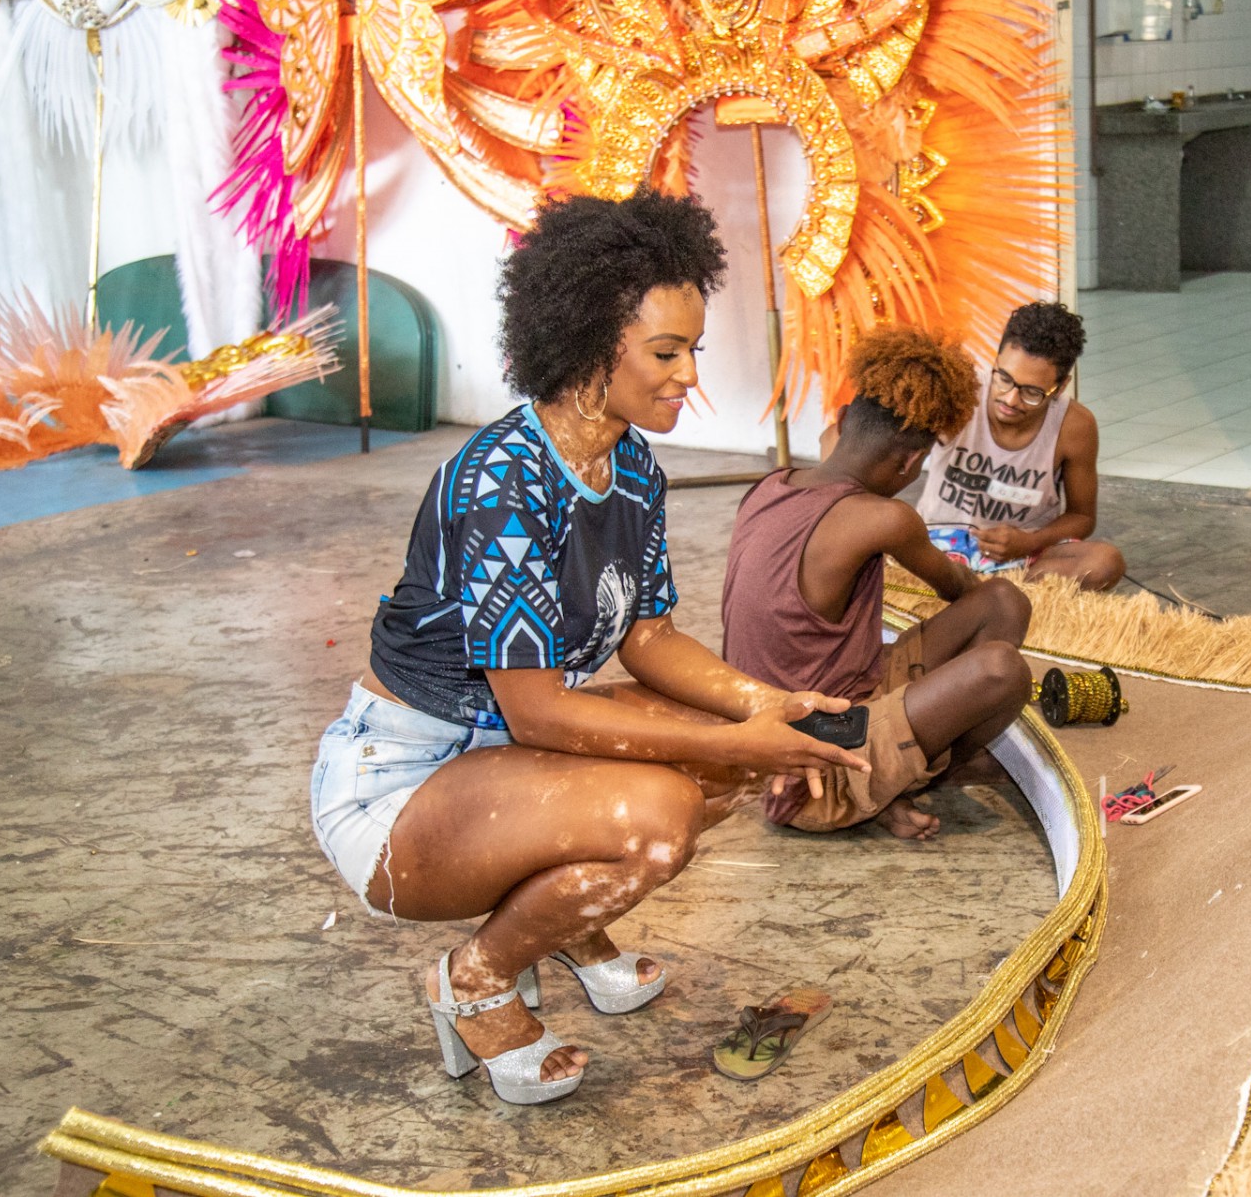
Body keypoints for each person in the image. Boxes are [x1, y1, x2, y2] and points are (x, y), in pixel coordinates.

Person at [308, 192, 869, 1106]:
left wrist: (766, 706)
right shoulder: (502, 481)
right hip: (398, 789)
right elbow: (537, 710)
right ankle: (477, 978)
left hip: (499, 760)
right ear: (585, 342)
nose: (690, 374)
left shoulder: (630, 465)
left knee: (715, 761)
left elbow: (649, 637)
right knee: (659, 814)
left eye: (692, 349)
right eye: (666, 352)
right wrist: (739, 738)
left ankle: (563, 922)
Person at [721, 326, 1034, 842]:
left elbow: (834, 446)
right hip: (809, 770)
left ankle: (894, 778)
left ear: (845, 420)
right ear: (910, 461)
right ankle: (897, 787)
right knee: (1002, 669)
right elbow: (958, 587)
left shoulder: (770, 484)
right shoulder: (885, 519)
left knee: (1004, 602)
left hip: (794, 720)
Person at [917, 302, 1126, 590]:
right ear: (996, 361)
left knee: (1105, 561)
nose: (1010, 399)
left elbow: (1082, 517)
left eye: (1032, 392)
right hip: (938, 545)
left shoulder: (1075, 425)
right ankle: (991, 591)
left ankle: (993, 590)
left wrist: (1029, 541)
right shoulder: (960, 392)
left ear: (1060, 387)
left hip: (1024, 555)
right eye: (1004, 378)